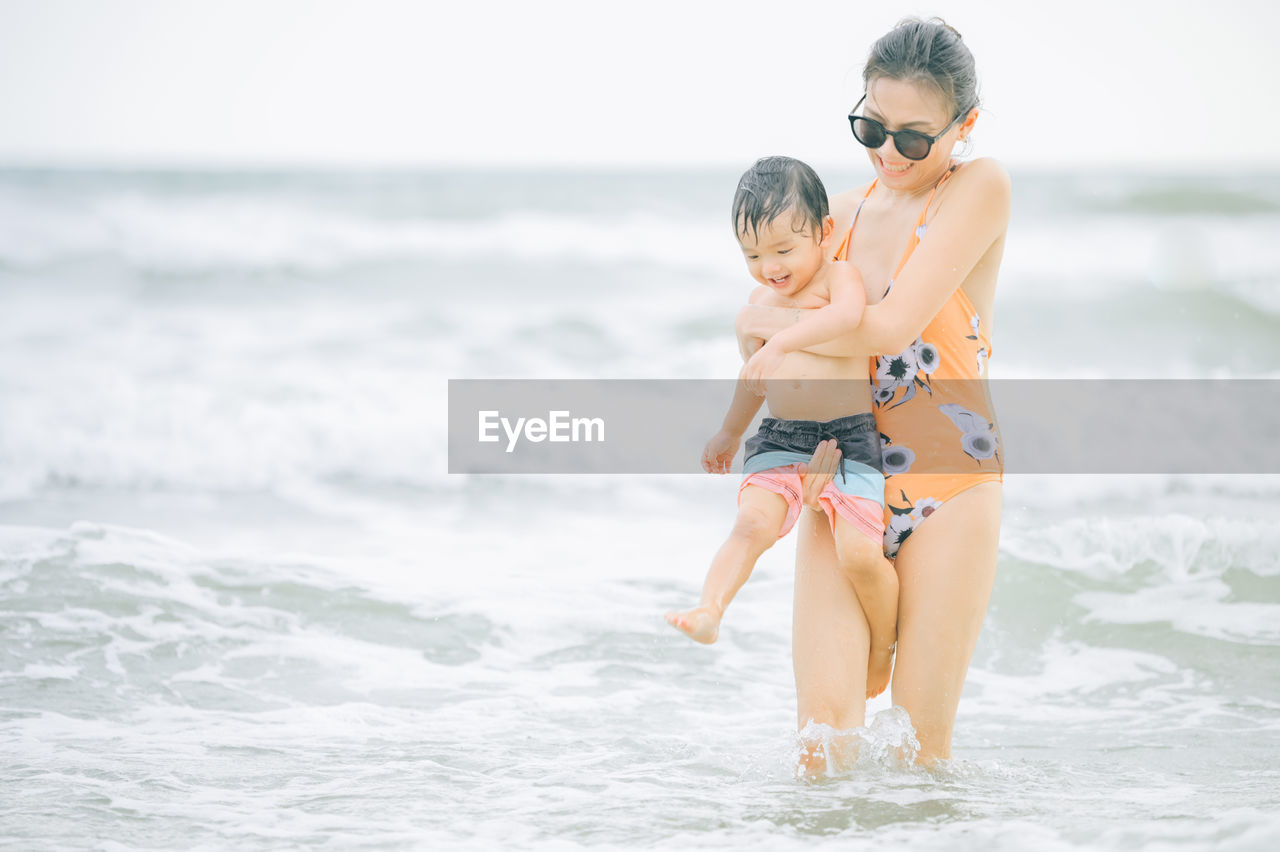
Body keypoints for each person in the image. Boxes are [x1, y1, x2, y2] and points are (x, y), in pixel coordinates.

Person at [735, 17, 1010, 772]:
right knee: (819, 747)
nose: (888, 153)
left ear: (964, 127)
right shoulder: (839, 217)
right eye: (871, 127)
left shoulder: (978, 188)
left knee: (919, 757)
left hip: (948, 482)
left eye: (914, 138)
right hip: (839, 471)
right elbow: (761, 325)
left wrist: (785, 326)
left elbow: (887, 327)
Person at [664, 156, 901, 699]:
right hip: (780, 437)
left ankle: (884, 643)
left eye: (782, 249)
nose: (769, 266)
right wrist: (728, 433)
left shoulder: (839, 277)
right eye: (752, 254)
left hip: (848, 438)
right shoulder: (758, 304)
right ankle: (710, 608)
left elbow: (846, 320)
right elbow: (753, 379)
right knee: (750, 526)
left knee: (859, 554)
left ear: (824, 233)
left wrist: (782, 340)